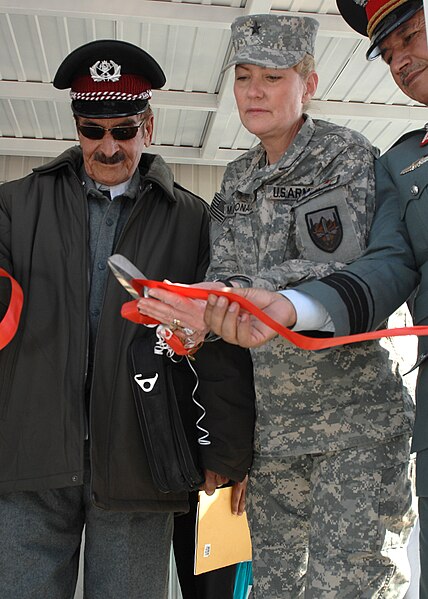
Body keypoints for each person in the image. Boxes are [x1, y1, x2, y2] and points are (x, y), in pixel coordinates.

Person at [135, 13, 416, 598]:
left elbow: (347, 268)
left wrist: (234, 299)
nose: (254, 91)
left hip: (354, 426)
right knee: (273, 590)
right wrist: (190, 322)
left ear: (308, 84)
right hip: (273, 437)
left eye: (273, 75)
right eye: (243, 77)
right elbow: (222, 284)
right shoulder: (235, 183)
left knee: (352, 587)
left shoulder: (347, 157)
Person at [0, 39, 255, 599]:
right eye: (93, 129)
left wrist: (228, 457)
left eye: (124, 129)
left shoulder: (195, 221)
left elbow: (223, 346)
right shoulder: (13, 208)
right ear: (76, 127)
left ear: (149, 124)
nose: (108, 146)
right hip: (31, 462)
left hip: (142, 460)